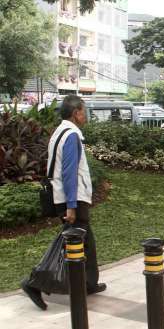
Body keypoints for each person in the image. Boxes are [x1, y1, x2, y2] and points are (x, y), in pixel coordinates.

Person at [22, 95, 106, 310]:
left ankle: (87, 284)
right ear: (76, 112)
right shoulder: (71, 136)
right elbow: (68, 172)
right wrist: (70, 205)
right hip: (72, 198)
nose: (85, 115)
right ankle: (34, 283)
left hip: (69, 197)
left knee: (86, 242)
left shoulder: (60, 132)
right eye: (83, 111)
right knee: (70, 244)